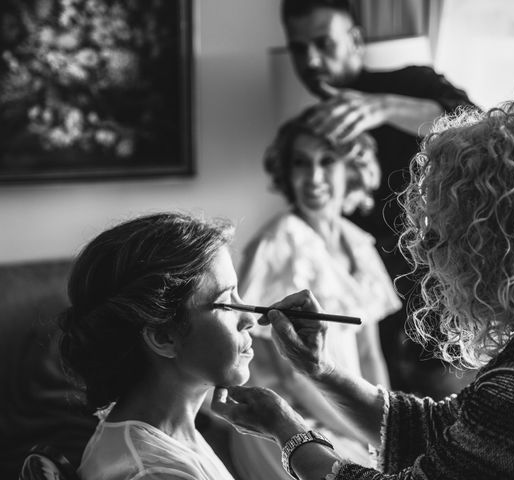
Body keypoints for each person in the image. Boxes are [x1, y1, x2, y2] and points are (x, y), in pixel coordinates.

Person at [211, 102, 514, 479]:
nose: (428, 253)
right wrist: (322, 370)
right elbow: (443, 430)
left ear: (499, 244)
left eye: (443, 233)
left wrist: (286, 429)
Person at [281, 0, 479, 396]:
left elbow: (475, 125)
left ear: (355, 41)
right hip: (367, 309)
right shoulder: (316, 128)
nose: (312, 59)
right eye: (300, 48)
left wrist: (382, 106)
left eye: (324, 43)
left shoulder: (412, 83)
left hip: (438, 301)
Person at [227, 107, 401, 480]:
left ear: (351, 169)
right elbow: (294, 376)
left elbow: (371, 356)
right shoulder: (281, 243)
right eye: (301, 164)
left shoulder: (358, 244)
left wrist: (386, 426)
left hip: (346, 409)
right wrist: (369, 435)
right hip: (287, 418)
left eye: (327, 162)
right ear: (287, 173)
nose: (314, 177)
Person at [58, 212, 256, 480]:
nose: (250, 319)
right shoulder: (158, 472)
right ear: (163, 337)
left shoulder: (165, 431)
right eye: (226, 304)